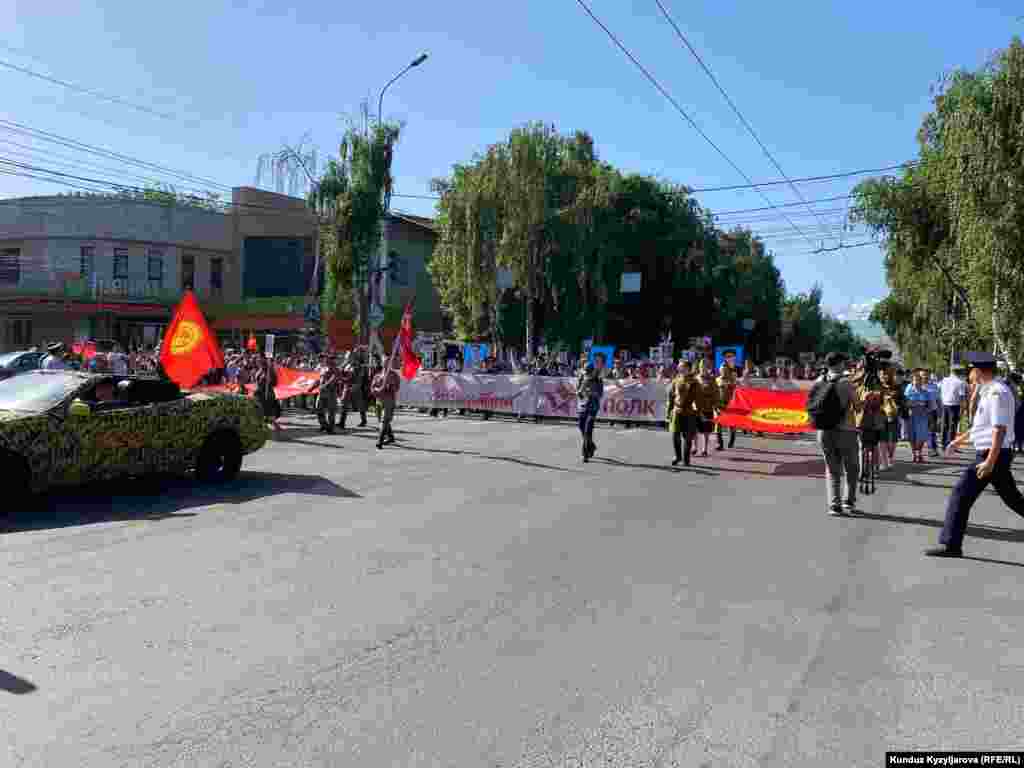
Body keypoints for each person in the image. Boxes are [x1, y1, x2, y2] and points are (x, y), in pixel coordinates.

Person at [928, 353, 1024, 557]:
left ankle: (951, 545)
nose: (968, 375)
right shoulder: (989, 390)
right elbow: (982, 426)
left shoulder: (997, 392)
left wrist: (989, 461)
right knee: (1013, 499)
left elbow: (999, 429)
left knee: (960, 494)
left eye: (970, 370)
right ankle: (952, 544)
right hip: (994, 453)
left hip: (992, 454)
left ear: (979, 371)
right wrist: (958, 441)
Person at [811, 352, 861, 516]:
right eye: (844, 363)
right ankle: (849, 501)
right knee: (851, 467)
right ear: (839, 364)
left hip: (824, 431)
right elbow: (858, 406)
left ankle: (834, 505)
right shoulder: (846, 382)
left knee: (832, 469)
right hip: (846, 430)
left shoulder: (819, 380)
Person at [666, 359, 698, 466]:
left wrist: (699, 411)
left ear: (688, 369)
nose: (679, 368)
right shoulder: (676, 380)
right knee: (675, 434)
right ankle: (678, 456)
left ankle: (686, 459)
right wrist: (669, 412)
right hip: (677, 410)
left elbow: (698, 398)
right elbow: (671, 397)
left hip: (689, 412)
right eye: (679, 367)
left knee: (688, 437)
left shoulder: (694, 382)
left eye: (682, 367)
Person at [575, 352, 605, 462]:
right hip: (582, 406)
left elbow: (600, 394)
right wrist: (579, 392)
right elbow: (578, 391)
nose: (587, 374)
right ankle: (591, 445)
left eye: (589, 372)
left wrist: (592, 393)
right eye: (586, 372)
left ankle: (585, 453)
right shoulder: (582, 378)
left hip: (593, 406)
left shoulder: (598, 380)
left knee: (588, 429)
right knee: (581, 427)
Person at [904, 369, 935, 463]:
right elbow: (905, 403)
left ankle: (919, 453)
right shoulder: (909, 391)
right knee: (912, 436)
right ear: (912, 381)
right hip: (911, 416)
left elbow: (930, 406)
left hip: (923, 417)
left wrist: (929, 414)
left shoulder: (926, 392)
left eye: (919, 380)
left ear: (921, 381)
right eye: (915, 380)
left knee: (922, 437)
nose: (917, 382)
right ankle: (915, 454)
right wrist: (914, 404)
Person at [370, 359, 401, 449]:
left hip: (389, 400)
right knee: (382, 419)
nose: (385, 363)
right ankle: (390, 437)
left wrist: (390, 385)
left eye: (388, 362)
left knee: (384, 420)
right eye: (384, 362)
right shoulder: (378, 375)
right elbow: (372, 387)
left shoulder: (394, 375)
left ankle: (379, 441)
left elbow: (397, 387)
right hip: (379, 400)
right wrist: (377, 389)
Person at [692, 360, 719, 457]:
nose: (703, 368)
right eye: (702, 366)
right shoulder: (695, 378)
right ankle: (695, 447)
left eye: (705, 366)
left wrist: (716, 405)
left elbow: (716, 393)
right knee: (694, 429)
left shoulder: (712, 379)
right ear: (699, 367)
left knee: (706, 430)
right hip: (696, 407)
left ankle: (704, 448)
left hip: (707, 407)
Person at [939, 365, 968, 449]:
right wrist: (962, 410)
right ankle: (950, 444)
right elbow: (962, 397)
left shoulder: (944, 380)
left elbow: (939, 390)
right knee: (953, 426)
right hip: (954, 406)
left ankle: (943, 443)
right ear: (959, 372)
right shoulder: (960, 382)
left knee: (944, 425)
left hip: (944, 404)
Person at [715, 350, 738, 451]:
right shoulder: (718, 380)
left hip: (731, 402)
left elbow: (736, 386)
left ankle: (732, 438)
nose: (723, 370)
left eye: (731, 356)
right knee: (719, 422)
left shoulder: (735, 373)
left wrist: (733, 383)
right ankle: (719, 443)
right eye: (728, 357)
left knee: (731, 422)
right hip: (720, 402)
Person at [254, 356, 281, 432]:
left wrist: (270, 380)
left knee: (270, 409)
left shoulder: (270, 371)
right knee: (260, 409)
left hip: (268, 393)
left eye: (260, 361)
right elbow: (257, 381)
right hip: (259, 393)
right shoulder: (259, 371)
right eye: (258, 361)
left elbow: (275, 382)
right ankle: (262, 424)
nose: (258, 363)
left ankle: (273, 424)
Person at [316, 355, 341, 434]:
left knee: (331, 412)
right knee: (318, 409)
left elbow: (333, 378)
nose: (328, 361)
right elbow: (319, 380)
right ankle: (324, 425)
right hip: (322, 392)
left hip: (331, 392)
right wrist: (312, 387)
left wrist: (325, 385)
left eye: (331, 359)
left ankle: (330, 428)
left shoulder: (336, 369)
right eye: (328, 359)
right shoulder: (323, 368)